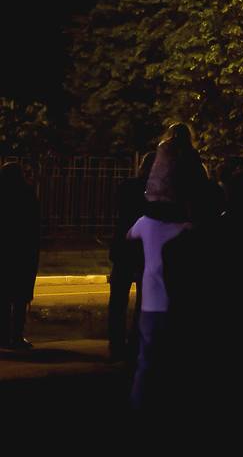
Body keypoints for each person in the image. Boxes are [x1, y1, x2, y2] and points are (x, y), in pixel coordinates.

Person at [127, 197, 193, 409]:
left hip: (150, 302)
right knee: (173, 359)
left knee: (146, 359)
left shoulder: (145, 223)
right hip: (174, 303)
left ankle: (140, 402)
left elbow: (129, 236)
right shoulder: (184, 228)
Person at [107, 150, 154, 361]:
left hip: (124, 248)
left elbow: (119, 211)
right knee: (143, 301)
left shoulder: (127, 187)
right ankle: (135, 342)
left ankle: (116, 343)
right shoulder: (156, 193)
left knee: (118, 299)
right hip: (144, 251)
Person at [0, 161, 40, 351]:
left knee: (4, 296)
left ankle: (3, 335)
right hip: (23, 253)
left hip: (4, 253)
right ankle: (16, 335)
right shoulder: (27, 194)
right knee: (20, 297)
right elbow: (33, 226)